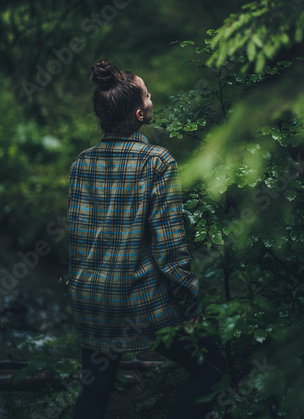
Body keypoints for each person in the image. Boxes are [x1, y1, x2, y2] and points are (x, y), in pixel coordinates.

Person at [68, 59, 226, 418]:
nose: (153, 98)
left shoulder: (81, 163)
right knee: (211, 371)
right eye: (148, 94)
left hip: (90, 297)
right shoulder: (156, 161)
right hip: (139, 298)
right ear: (140, 113)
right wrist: (191, 306)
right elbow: (170, 250)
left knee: (95, 393)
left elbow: (79, 239)